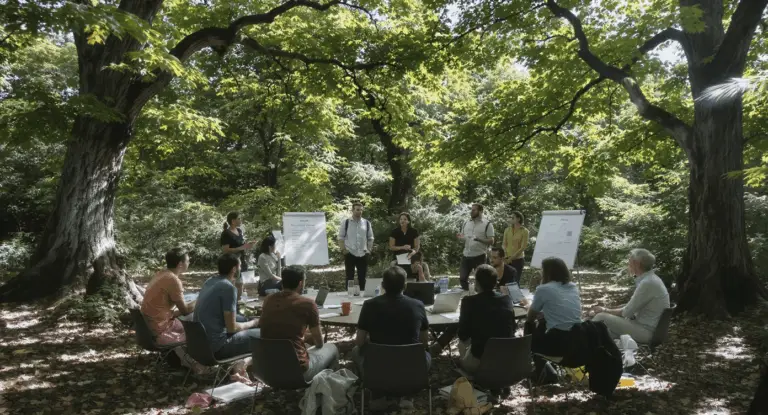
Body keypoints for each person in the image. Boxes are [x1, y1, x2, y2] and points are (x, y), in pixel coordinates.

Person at [259, 266, 339, 381]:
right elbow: (319, 343)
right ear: (301, 283)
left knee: (305, 347)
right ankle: (325, 391)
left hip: (267, 370)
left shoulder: (268, 300)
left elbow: (279, 328)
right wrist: (312, 336)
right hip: (297, 372)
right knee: (332, 348)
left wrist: (303, 336)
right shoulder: (308, 304)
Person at [348, 266, 430, 373]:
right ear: (405, 286)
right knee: (427, 354)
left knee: (355, 351)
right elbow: (424, 342)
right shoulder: (418, 305)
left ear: (383, 285)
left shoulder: (369, 305)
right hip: (411, 368)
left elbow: (359, 342)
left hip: (378, 369)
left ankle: (367, 379)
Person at [194, 253, 260, 379]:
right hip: (217, 347)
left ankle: (241, 366)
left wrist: (247, 320)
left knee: (247, 322)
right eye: (240, 265)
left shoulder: (210, 281)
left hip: (199, 345)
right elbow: (232, 328)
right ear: (234, 269)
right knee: (263, 334)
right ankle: (247, 369)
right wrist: (253, 323)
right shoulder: (228, 288)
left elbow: (226, 315)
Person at [591, 249, 670, 343]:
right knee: (603, 333)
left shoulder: (648, 283)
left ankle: (578, 339)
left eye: (629, 261)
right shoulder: (651, 279)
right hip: (644, 327)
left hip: (647, 332)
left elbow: (626, 313)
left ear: (636, 263)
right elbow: (631, 308)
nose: (628, 264)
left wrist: (604, 310)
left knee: (601, 316)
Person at [456, 264, 518, 374]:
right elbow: (513, 327)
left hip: (481, 360)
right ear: (495, 282)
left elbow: (463, 334)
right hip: (507, 359)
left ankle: (469, 376)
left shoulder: (469, 301)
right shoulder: (506, 300)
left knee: (461, 343)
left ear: (477, 282)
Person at [522, 257, 582, 363]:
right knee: (543, 321)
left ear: (547, 273)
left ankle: (529, 356)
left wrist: (529, 307)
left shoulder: (544, 289)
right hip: (578, 340)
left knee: (529, 324)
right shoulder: (573, 287)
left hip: (558, 343)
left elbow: (530, 317)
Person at [141, 247, 196, 344]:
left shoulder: (161, 273)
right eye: (187, 261)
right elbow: (185, 311)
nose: (189, 263)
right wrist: (200, 299)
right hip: (161, 330)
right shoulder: (173, 280)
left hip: (148, 327)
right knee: (198, 329)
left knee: (190, 299)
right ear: (180, 264)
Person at [457, 203, 495, 291]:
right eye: (471, 210)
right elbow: (463, 237)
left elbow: (491, 241)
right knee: (462, 278)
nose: (472, 212)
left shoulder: (487, 224)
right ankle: (468, 295)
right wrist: (460, 237)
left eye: (474, 210)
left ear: (480, 211)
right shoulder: (466, 222)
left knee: (481, 280)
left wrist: (479, 239)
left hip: (479, 255)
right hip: (466, 254)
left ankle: (480, 296)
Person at [338, 201, 374, 290]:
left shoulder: (366, 223)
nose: (360, 212)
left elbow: (371, 238)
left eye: (361, 210)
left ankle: (362, 297)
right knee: (349, 277)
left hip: (363, 254)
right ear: (352, 210)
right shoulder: (346, 222)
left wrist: (369, 250)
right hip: (350, 253)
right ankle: (348, 296)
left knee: (362, 277)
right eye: (357, 210)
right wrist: (344, 250)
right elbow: (340, 237)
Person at [221, 212, 254, 301]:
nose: (241, 220)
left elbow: (241, 245)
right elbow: (225, 250)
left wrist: (248, 245)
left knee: (240, 283)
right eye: (239, 218)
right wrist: (241, 248)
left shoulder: (239, 231)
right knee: (233, 282)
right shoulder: (226, 233)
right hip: (231, 261)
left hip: (241, 260)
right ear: (233, 221)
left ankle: (239, 303)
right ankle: (231, 304)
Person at [502, 211, 529, 279]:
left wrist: (512, 258)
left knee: (515, 280)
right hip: (506, 258)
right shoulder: (507, 230)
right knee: (506, 280)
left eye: (513, 217)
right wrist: (505, 254)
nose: (511, 219)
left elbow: (523, 247)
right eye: (510, 217)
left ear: (518, 219)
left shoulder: (524, 231)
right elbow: (504, 244)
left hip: (518, 260)